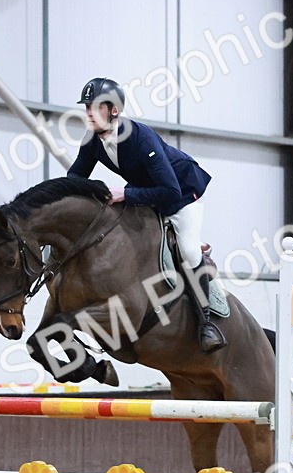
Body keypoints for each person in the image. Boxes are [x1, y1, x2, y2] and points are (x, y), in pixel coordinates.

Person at [67, 77, 226, 353]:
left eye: (95, 106)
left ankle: (206, 322)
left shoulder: (140, 137)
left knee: (188, 251)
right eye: (87, 107)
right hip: (145, 190)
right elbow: (74, 178)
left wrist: (125, 194)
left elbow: (169, 190)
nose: (89, 112)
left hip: (181, 193)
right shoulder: (93, 139)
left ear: (114, 110)